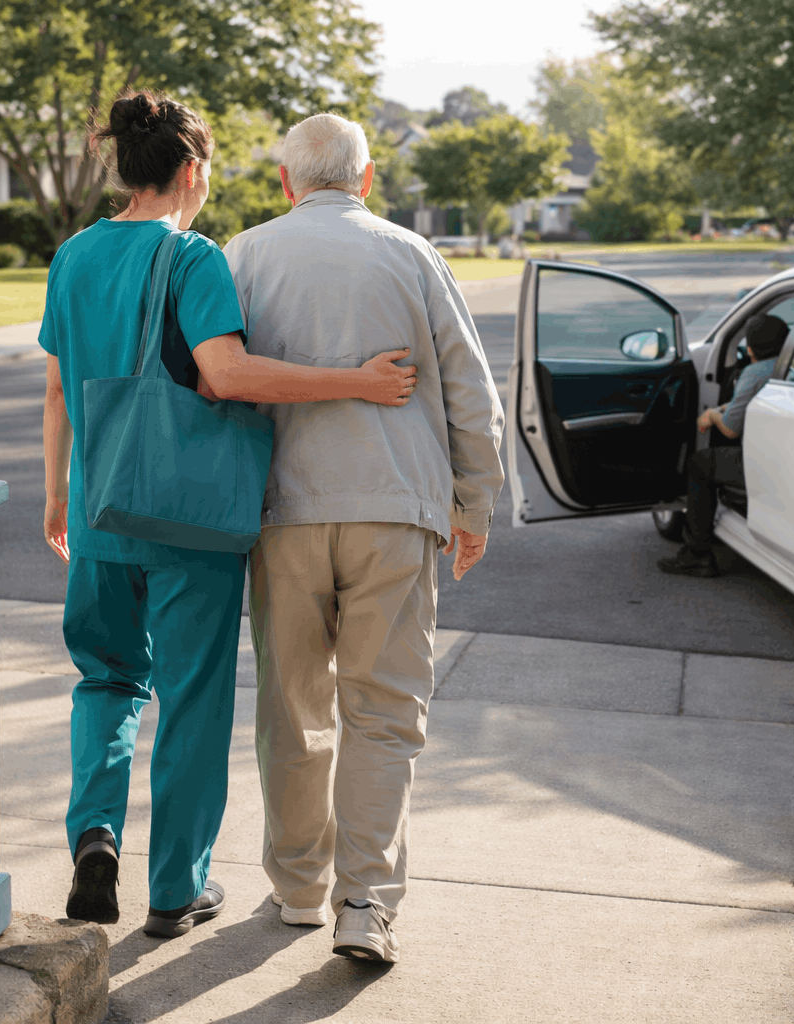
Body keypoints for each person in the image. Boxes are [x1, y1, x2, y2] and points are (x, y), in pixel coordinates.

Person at [40, 92, 417, 940]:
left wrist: (58, 493)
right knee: (194, 702)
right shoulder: (193, 258)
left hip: (100, 515)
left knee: (105, 680)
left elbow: (58, 387)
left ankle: (95, 834)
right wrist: (356, 381)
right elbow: (227, 376)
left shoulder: (72, 257)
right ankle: (176, 889)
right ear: (190, 170)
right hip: (187, 527)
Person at [222, 113, 505, 964]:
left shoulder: (243, 255)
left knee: (291, 706)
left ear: (285, 182)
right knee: (383, 714)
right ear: (367, 178)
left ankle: (299, 889)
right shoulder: (413, 255)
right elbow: (471, 393)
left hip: (281, 515)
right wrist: (474, 506)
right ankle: (365, 905)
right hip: (396, 511)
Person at [658, 312, 790, 578]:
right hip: (790, 457)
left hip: (758, 462)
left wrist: (712, 415)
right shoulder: (793, 366)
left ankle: (697, 554)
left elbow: (730, 430)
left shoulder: (752, 373)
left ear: (750, 349)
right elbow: (750, 404)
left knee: (700, 465)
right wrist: (723, 408)